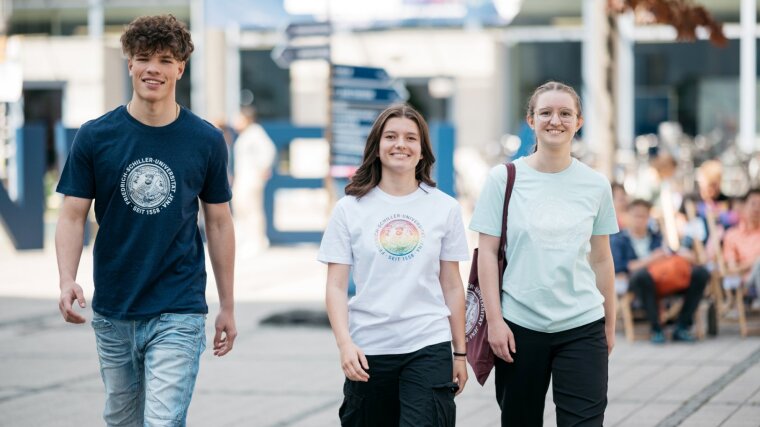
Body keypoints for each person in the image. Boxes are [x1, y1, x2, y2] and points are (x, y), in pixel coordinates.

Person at [55, 15, 236, 426]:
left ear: (180, 68)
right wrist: (67, 279)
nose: (154, 68)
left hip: (179, 307)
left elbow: (221, 223)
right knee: (122, 420)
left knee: (162, 421)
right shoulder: (96, 136)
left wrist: (227, 304)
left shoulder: (205, 140)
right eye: (144, 58)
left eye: (165, 59)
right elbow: (71, 216)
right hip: (115, 307)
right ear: (130, 64)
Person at [470, 81, 618, 426]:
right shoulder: (503, 179)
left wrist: (609, 324)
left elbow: (601, 258)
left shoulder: (596, 184)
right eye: (546, 112)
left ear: (579, 122)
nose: (556, 120)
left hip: (582, 324)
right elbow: (488, 254)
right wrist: (495, 322)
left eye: (565, 113)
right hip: (519, 326)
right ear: (531, 120)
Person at [319, 104, 469, 426]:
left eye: (410, 138)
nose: (400, 144)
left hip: (428, 342)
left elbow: (452, 284)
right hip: (369, 348)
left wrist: (460, 352)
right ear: (377, 147)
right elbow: (334, 285)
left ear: (422, 150)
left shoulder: (445, 208)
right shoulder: (349, 209)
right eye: (391, 136)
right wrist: (345, 345)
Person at [610, 199, 710, 343]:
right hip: (638, 284)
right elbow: (622, 269)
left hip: (663, 278)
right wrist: (651, 259)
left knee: (701, 274)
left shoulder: (656, 237)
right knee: (641, 276)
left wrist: (681, 254)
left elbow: (668, 254)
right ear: (628, 216)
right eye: (636, 215)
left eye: (643, 216)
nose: (639, 220)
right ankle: (656, 328)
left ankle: (682, 326)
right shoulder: (619, 240)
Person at [232, 105, 276, 252]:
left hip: (251, 178)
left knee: (252, 209)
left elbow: (268, 151)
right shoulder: (245, 134)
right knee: (241, 208)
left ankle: (257, 241)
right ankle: (245, 239)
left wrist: (262, 169)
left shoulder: (256, 132)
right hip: (243, 177)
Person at [723, 188, 760, 309]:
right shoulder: (732, 235)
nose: (757, 208)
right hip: (746, 283)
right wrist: (754, 263)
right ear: (744, 207)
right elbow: (732, 269)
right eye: (753, 204)